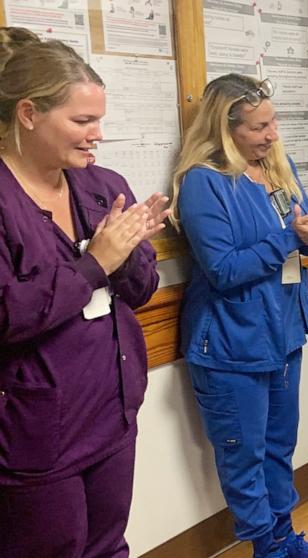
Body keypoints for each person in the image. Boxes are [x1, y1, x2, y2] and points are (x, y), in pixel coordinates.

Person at [0, 39, 167, 557]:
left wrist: (133, 250)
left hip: (112, 411)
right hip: (37, 433)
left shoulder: (102, 185)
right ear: (29, 114)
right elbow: (8, 314)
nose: (97, 134)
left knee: (109, 546)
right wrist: (96, 263)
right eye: (81, 121)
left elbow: (139, 292)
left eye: (99, 118)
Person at [172, 74, 308, 558]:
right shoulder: (205, 183)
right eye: (258, 127)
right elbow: (224, 269)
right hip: (230, 345)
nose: (271, 135)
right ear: (226, 129)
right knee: (243, 457)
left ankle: (286, 538)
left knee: (277, 448)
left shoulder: (278, 167)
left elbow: (298, 233)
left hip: (283, 334)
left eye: (273, 123)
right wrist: (292, 238)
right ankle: (267, 549)